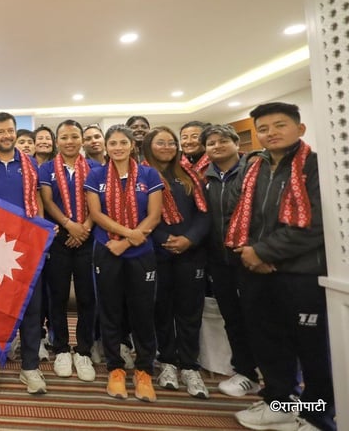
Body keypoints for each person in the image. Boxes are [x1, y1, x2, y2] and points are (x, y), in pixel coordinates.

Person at [227, 103, 335, 431]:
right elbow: (241, 216)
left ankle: (319, 415)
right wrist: (253, 256)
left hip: (301, 272)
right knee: (269, 341)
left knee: (313, 348)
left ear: (300, 129)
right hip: (256, 270)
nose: (270, 133)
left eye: (279, 125)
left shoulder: (317, 167)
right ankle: (280, 403)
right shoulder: (254, 167)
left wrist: (262, 252)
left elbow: (317, 223)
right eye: (263, 128)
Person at [84, 125, 163, 403]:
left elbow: (154, 215)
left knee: (142, 311)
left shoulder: (149, 174)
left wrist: (128, 241)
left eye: (122, 142)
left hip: (140, 252)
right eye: (112, 143)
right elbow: (95, 213)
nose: (117, 147)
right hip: (107, 249)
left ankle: (144, 370)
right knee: (110, 310)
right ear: (106, 147)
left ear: (132, 145)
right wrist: (127, 235)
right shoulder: (95, 175)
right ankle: (115, 368)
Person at [0, 112, 47, 396]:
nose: (6, 136)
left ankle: (29, 369)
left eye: (10, 131)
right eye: (0, 132)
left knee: (30, 308)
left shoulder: (30, 165)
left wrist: (41, 235)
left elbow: (37, 201)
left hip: (27, 248)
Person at [142, 127, 211, 399]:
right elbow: (137, 213)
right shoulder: (142, 175)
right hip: (157, 252)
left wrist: (189, 239)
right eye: (161, 142)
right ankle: (168, 361)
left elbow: (204, 214)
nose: (168, 146)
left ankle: (189, 364)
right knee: (161, 308)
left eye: (172, 142)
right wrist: (164, 238)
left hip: (191, 252)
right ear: (149, 146)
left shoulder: (190, 175)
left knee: (189, 310)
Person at [200, 124, 260, 397]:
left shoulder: (255, 170)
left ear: (237, 143)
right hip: (219, 260)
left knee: (261, 317)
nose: (217, 146)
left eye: (223, 141)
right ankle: (246, 371)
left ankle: (278, 378)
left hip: (253, 257)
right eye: (211, 143)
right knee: (232, 317)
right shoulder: (204, 177)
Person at [38, 120, 98, 383]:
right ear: (57, 141)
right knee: (58, 297)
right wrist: (69, 226)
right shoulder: (47, 168)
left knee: (87, 297)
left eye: (75, 136)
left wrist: (84, 227)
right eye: (64, 137)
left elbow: (99, 203)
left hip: (88, 237)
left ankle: (83, 349)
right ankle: (61, 347)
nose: (70, 141)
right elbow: (48, 201)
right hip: (60, 238)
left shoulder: (96, 168)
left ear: (82, 140)